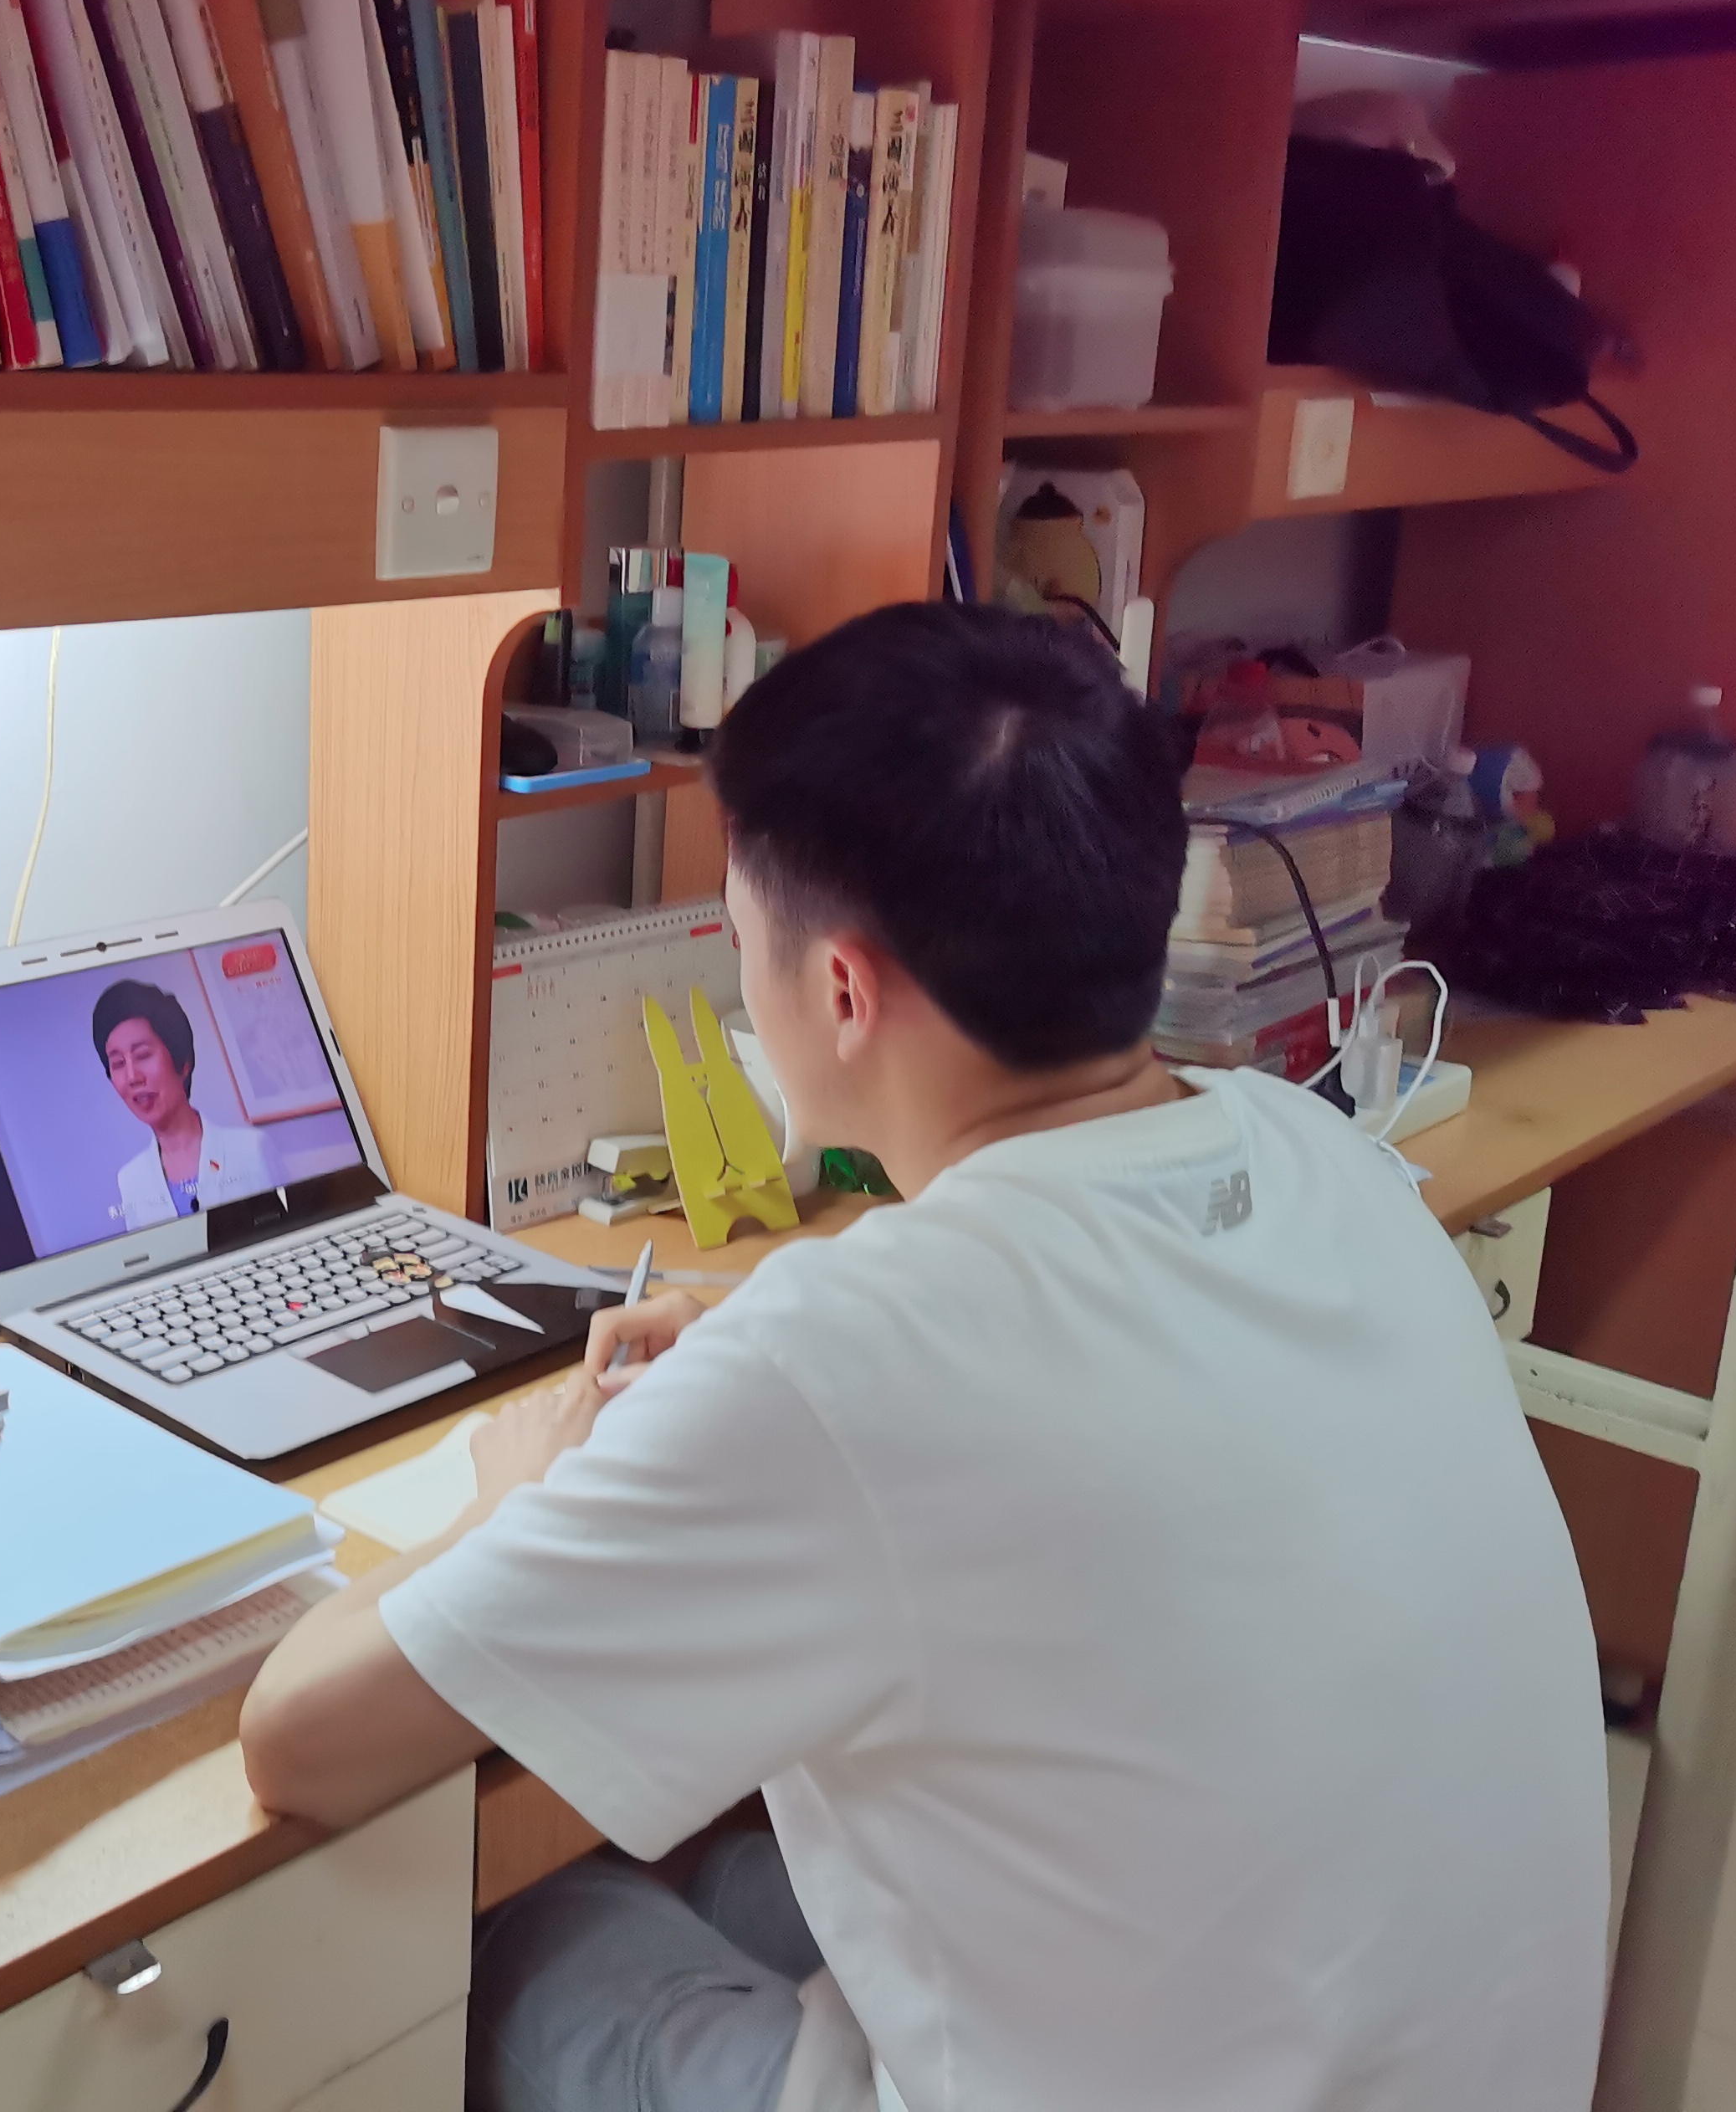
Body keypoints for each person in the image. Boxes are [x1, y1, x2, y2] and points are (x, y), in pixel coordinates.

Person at [239, 603, 1608, 2112]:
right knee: (734, 1877)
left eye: (741, 938)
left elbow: (299, 1741)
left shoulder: (842, 1363)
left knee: (542, 1929)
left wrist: (512, 1501)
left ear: (839, 990)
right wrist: (771, 1370)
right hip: (1460, 2065)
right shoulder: (1315, 1150)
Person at [90, 978, 274, 1228]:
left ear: (182, 1061)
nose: (132, 1077)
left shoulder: (251, 1149)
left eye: (143, 1055)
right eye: (118, 1064)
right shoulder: (130, 1180)